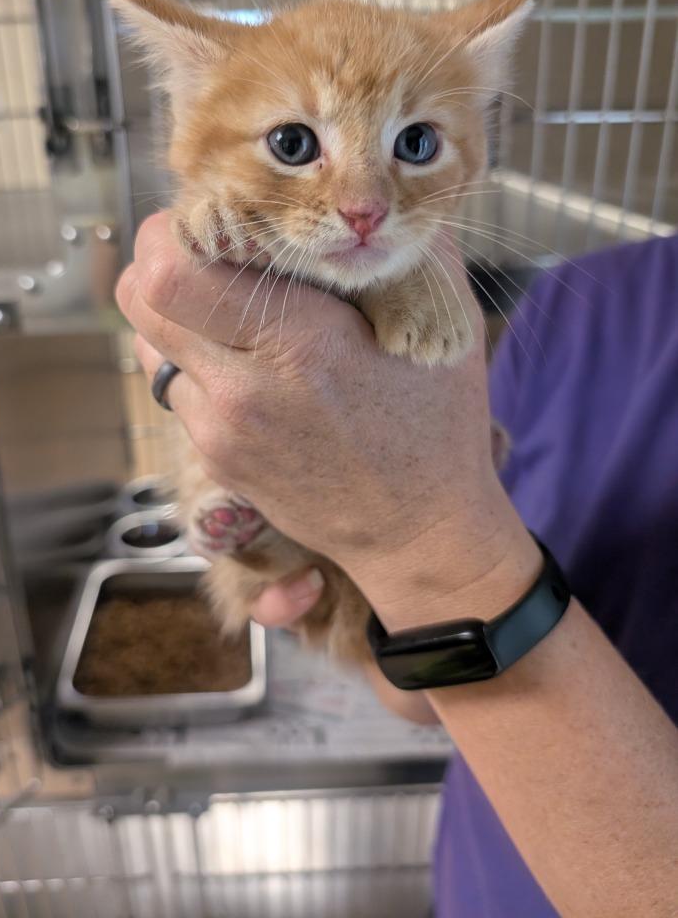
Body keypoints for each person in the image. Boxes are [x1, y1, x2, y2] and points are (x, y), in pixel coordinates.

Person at [116, 214, 678, 917]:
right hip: (477, 883)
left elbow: (439, 560)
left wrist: (411, 541)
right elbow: (419, 697)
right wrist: (361, 574)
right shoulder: (587, 302)